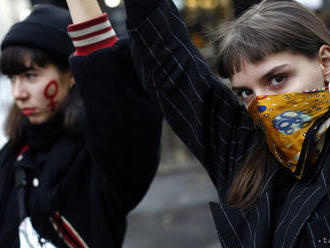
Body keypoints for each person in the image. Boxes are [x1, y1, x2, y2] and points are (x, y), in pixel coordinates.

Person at [68, 0, 330, 247]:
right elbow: (168, 60)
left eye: (277, 79)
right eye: (246, 93)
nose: (263, 106)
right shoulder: (244, 152)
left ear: (324, 63)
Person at [0, 4, 162, 247]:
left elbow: (119, 109)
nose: (18, 93)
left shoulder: (97, 158)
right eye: (13, 78)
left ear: (71, 74)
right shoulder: (13, 155)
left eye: (31, 75)